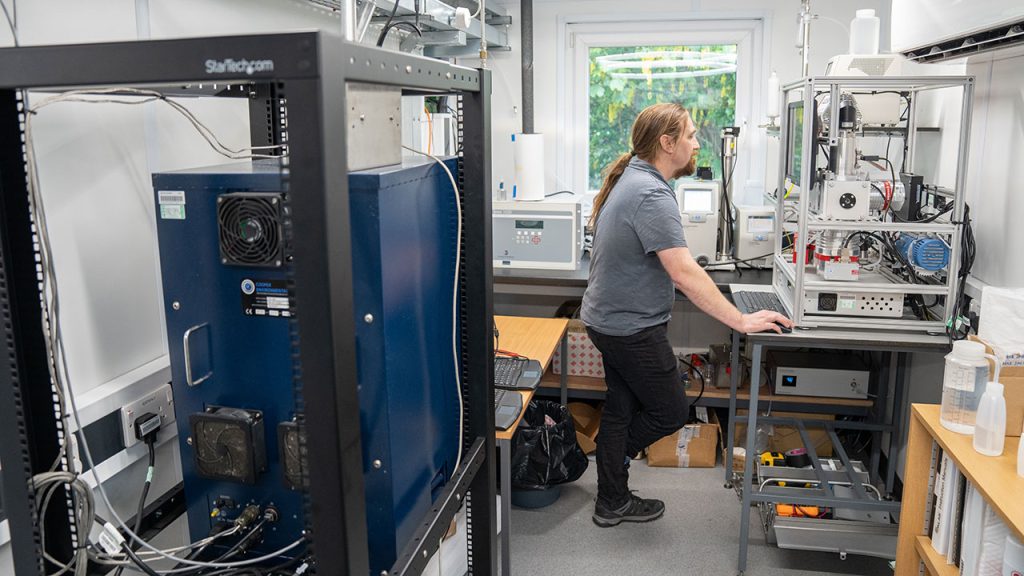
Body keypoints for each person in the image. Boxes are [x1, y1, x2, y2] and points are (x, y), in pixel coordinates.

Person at [582, 103, 793, 527]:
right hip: (628, 329)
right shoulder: (649, 193)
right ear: (667, 143)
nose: (697, 144)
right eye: (692, 136)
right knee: (671, 410)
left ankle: (612, 497)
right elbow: (682, 271)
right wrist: (742, 320)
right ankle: (612, 459)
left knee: (622, 408)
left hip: (610, 321)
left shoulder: (637, 180)